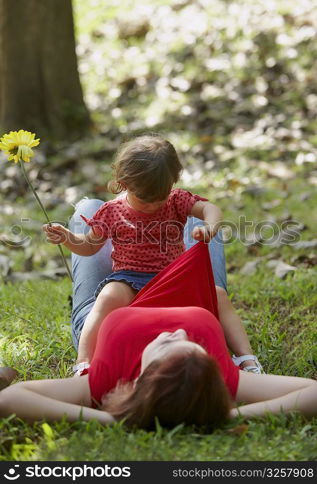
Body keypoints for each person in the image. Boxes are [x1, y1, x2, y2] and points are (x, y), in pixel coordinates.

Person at [0, 242, 316, 429]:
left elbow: (11, 399)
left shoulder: (108, 382)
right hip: (192, 286)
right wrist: (227, 414)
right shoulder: (219, 379)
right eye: (195, 346)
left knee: (89, 209)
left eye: (168, 344)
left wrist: (110, 421)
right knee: (196, 221)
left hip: (108, 303)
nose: (178, 332)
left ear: (142, 379)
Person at [42, 135, 261, 374]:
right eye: (144, 199)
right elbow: (90, 247)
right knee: (107, 296)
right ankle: (83, 364)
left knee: (217, 294)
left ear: (172, 183)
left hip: (174, 277)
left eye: (160, 198)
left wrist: (210, 226)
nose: (153, 206)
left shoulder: (177, 200)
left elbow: (211, 208)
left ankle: (247, 359)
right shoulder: (111, 211)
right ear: (123, 182)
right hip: (130, 279)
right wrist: (67, 238)